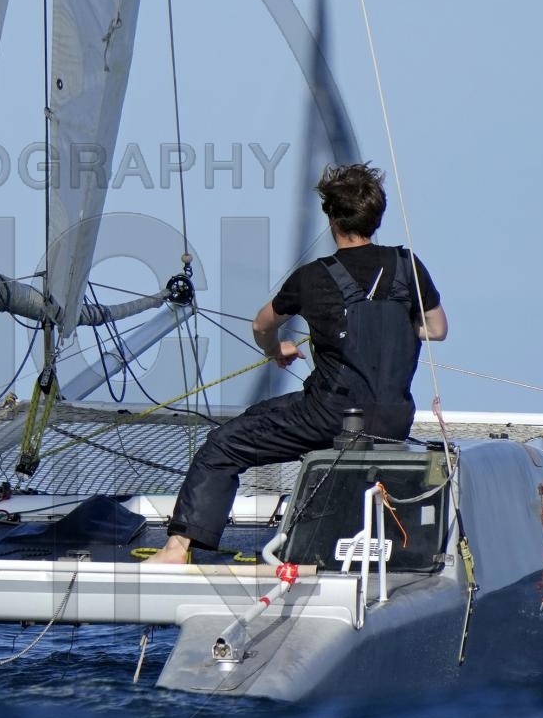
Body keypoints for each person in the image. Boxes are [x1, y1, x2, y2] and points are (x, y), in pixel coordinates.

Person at [147, 163, 449, 564]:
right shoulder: (407, 265)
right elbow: (437, 329)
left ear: (332, 218)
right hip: (394, 420)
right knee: (340, 461)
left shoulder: (313, 276)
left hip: (330, 418)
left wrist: (276, 350)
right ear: (376, 217)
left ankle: (175, 550)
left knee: (222, 445)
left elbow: (261, 324)